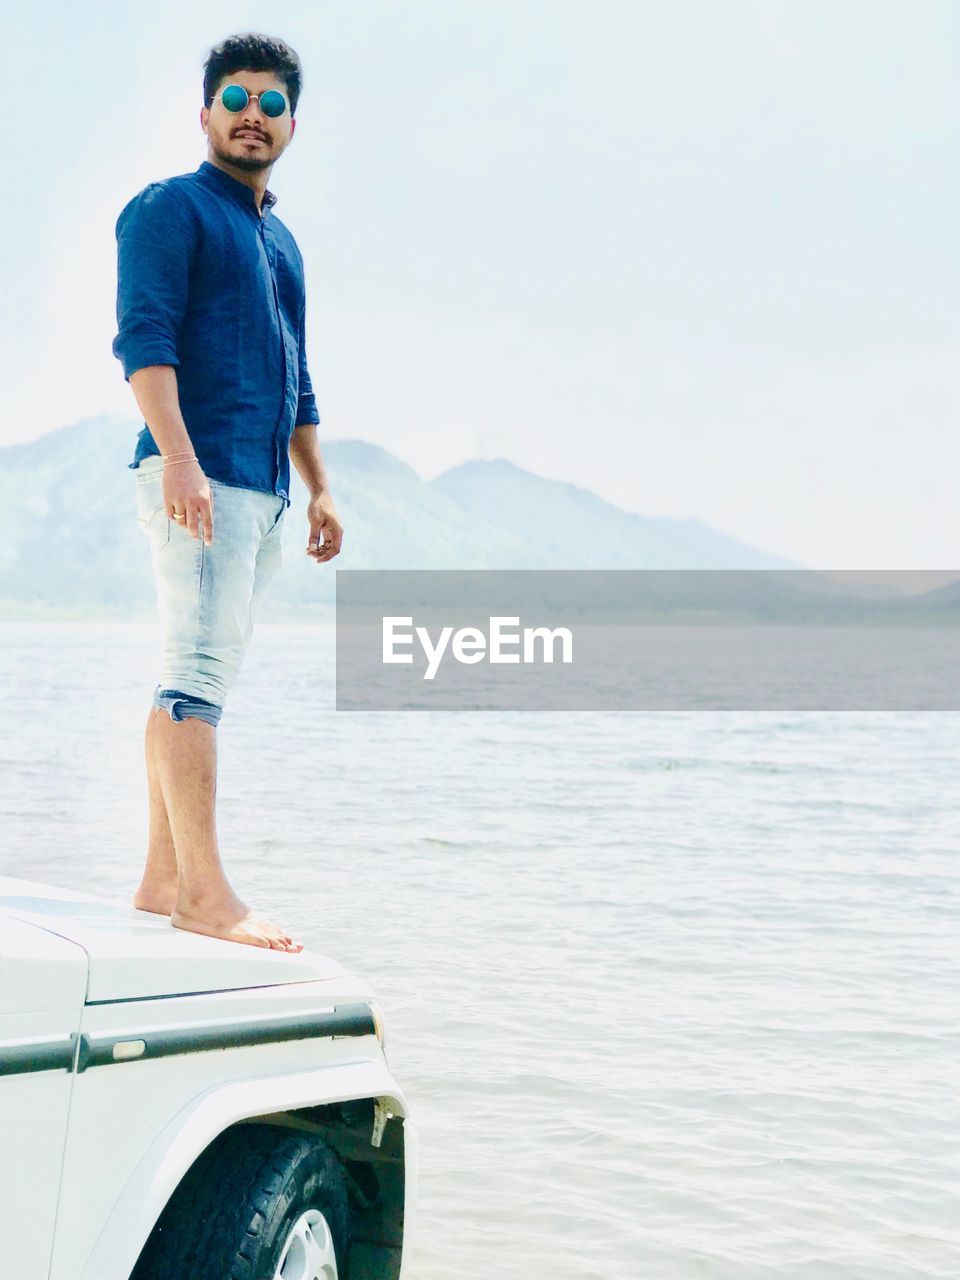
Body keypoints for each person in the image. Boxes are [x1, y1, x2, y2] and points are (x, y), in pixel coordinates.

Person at [112, 32, 342, 952]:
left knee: (200, 671)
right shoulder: (172, 210)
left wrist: (320, 487)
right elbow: (144, 339)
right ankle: (204, 896)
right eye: (237, 97)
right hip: (198, 474)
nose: (256, 114)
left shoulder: (278, 239)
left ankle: (164, 876)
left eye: (274, 103)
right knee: (196, 675)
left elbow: (300, 377)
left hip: (261, 487)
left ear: (291, 123)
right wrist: (179, 459)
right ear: (205, 111)